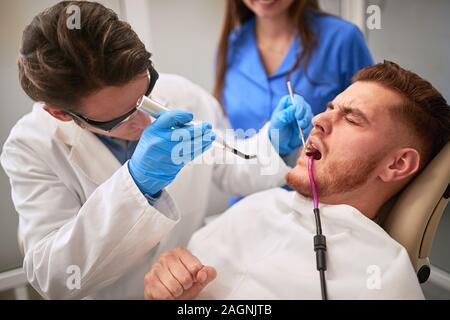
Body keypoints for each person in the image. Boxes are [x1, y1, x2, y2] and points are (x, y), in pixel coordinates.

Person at [0, 1, 310, 299]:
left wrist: (274, 145)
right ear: (61, 114)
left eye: (145, 93)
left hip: (190, 291)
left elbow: (230, 166)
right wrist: (137, 185)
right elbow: (53, 276)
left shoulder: (181, 93)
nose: (147, 119)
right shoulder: (31, 148)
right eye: (121, 117)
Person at [143, 61, 450, 300]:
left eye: (352, 118)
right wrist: (168, 288)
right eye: (330, 108)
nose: (318, 119)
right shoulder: (255, 208)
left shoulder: (382, 279)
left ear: (397, 164)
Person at [214, 0, 374, 205]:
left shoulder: (342, 39)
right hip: (247, 205)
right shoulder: (232, 45)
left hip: (317, 206)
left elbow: (372, 126)